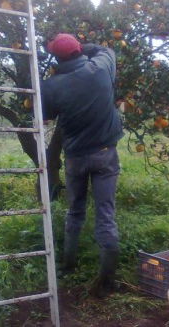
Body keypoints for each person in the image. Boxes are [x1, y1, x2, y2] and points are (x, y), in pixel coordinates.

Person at [41, 33, 123, 298]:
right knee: (106, 215)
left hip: (75, 157)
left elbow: (46, 116)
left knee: (75, 212)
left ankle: (67, 265)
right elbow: (105, 48)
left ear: (56, 58)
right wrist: (82, 47)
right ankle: (106, 281)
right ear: (80, 51)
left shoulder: (52, 86)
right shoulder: (100, 68)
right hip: (104, 154)